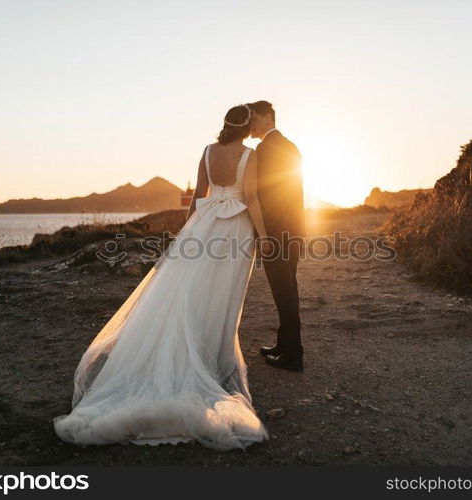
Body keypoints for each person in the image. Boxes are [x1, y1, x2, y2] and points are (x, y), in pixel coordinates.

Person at [53, 104, 269, 450]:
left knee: (190, 292)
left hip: (204, 226)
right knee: (223, 297)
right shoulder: (250, 155)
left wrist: (187, 232)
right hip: (237, 231)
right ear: (247, 128)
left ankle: (200, 355)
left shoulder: (208, 151)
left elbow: (199, 195)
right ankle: (212, 362)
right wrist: (265, 236)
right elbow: (254, 198)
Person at [248, 100, 306, 372]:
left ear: (268, 118)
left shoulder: (265, 148)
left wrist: (265, 235)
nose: (251, 124)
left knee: (283, 291)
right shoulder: (290, 145)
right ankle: (285, 344)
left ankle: (293, 355)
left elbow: (266, 194)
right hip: (293, 229)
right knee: (288, 288)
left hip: (276, 233)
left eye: (254, 118)